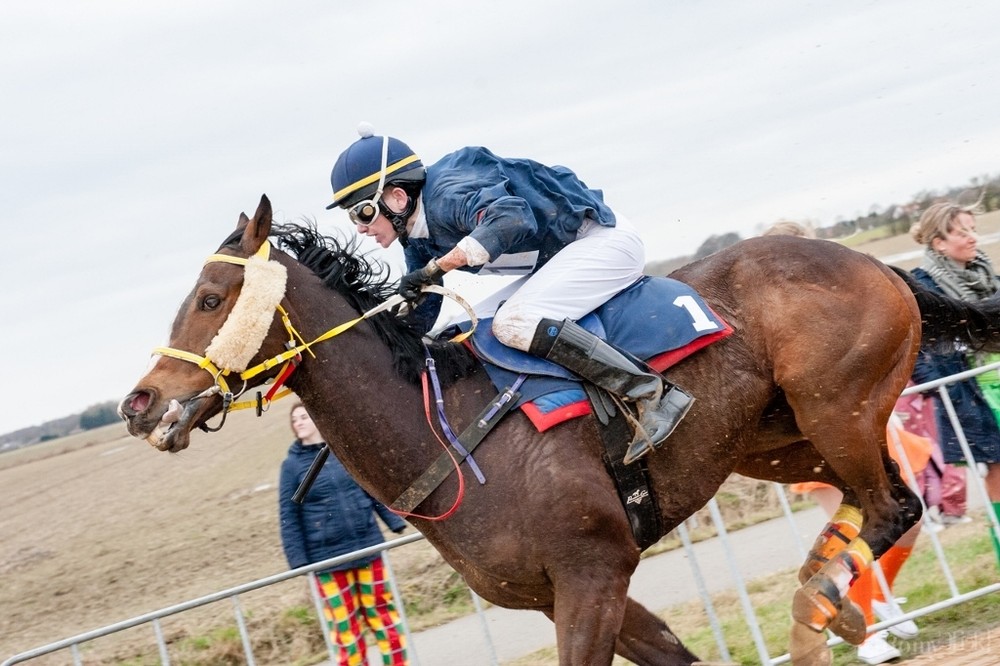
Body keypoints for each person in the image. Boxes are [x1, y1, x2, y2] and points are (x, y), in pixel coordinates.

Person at [326, 123, 693, 464]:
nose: (360, 228)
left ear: (396, 197)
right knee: (456, 329)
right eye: (352, 218)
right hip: (560, 258)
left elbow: (512, 218)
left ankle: (651, 392)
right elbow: (426, 310)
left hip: (601, 240)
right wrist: (375, 345)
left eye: (362, 213)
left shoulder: (448, 193)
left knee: (514, 322)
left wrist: (438, 267)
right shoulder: (416, 234)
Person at [791, 415, 930, 665]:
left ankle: (880, 596)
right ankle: (867, 636)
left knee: (910, 523)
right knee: (852, 535)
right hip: (819, 436)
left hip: (862, 429)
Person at [278, 402, 409, 666]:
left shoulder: (342, 451)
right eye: (295, 420)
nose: (299, 422)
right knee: (345, 630)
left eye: (304, 417)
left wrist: (394, 522)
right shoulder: (292, 466)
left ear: (316, 419)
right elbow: (288, 515)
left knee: (384, 618)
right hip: (328, 560)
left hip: (367, 548)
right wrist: (298, 561)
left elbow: (370, 489)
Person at [909, 200, 1000, 564]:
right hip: (971, 391)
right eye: (962, 232)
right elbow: (916, 346)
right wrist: (939, 386)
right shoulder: (923, 286)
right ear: (939, 243)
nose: (973, 238)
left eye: (973, 229)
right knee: (999, 468)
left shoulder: (988, 276)